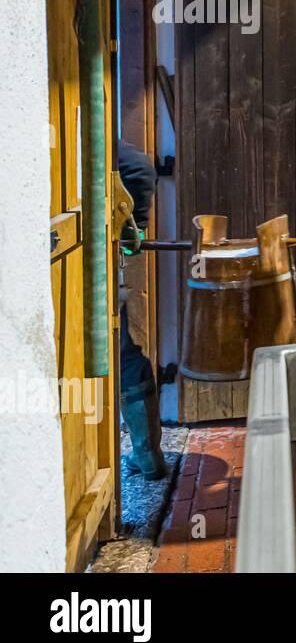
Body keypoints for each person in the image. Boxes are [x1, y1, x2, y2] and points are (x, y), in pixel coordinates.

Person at [116, 140, 166, 479]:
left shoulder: (93, 141)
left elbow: (137, 167)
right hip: (98, 268)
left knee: (123, 355)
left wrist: (132, 226)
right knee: (125, 356)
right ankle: (147, 454)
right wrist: (135, 226)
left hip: (87, 269)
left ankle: (146, 455)